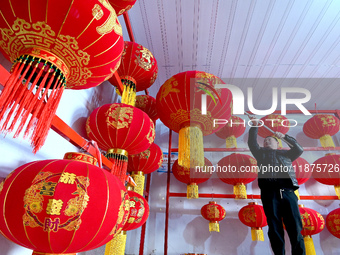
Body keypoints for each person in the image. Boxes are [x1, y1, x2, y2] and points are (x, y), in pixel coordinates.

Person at [247, 117, 305, 255]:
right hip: (269, 193)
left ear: (278, 143)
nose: (267, 141)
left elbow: (299, 148)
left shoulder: (287, 154)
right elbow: (252, 143)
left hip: (288, 192)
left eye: (270, 140)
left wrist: (285, 137)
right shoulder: (260, 153)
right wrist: (255, 126)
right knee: (274, 226)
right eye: (265, 140)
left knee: (295, 227)